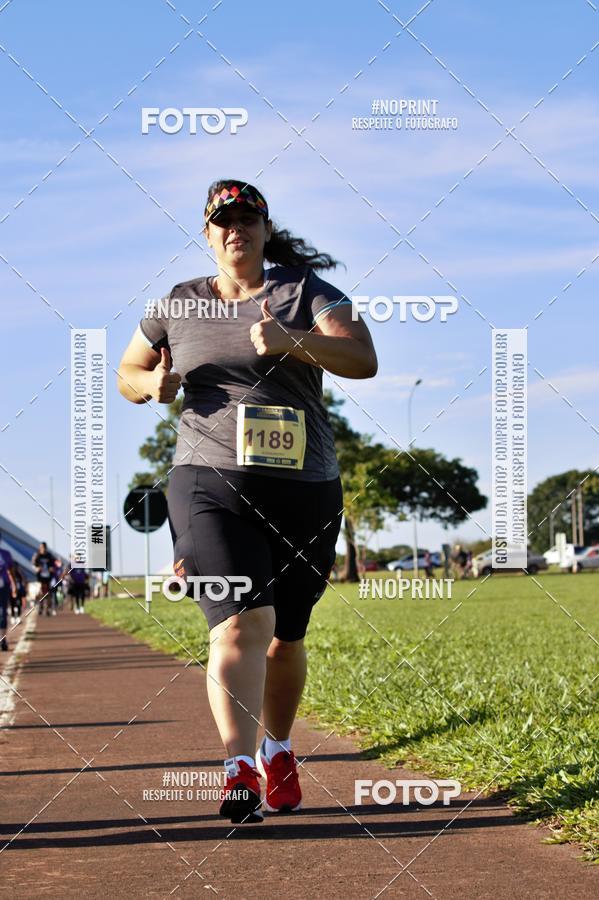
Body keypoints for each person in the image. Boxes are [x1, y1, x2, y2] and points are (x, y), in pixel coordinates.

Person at [117, 179, 377, 824]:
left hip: (303, 484)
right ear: (207, 234)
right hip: (207, 479)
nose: (235, 229)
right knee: (238, 622)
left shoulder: (305, 290)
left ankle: (279, 748)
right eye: (222, 221)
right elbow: (125, 372)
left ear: (264, 228)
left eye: (246, 219)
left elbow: (363, 357)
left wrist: (294, 343)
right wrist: (152, 381)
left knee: (285, 636)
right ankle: (238, 769)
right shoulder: (177, 303)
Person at [0, 533, 17, 651]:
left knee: (2, 613)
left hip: (3, 586)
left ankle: (3, 639)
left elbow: (10, 571)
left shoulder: (6, 554)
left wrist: (14, 585)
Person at [32, 542, 57, 616]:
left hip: (48, 577)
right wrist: (36, 568)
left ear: (45, 547)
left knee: (48, 593)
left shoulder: (49, 555)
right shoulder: (37, 555)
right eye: (40, 547)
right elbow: (33, 564)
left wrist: (52, 568)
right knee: (40, 592)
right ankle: (41, 607)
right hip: (40, 577)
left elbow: (54, 564)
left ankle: (48, 609)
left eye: (43, 547)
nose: (42, 548)